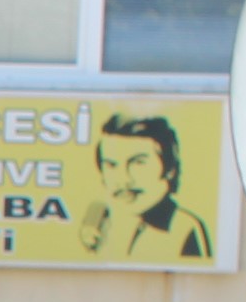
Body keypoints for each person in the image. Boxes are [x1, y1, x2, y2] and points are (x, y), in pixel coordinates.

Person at [74, 112, 216, 262]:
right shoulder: (97, 223)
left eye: (138, 163)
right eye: (111, 165)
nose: (123, 179)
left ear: (169, 169)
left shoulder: (184, 228)